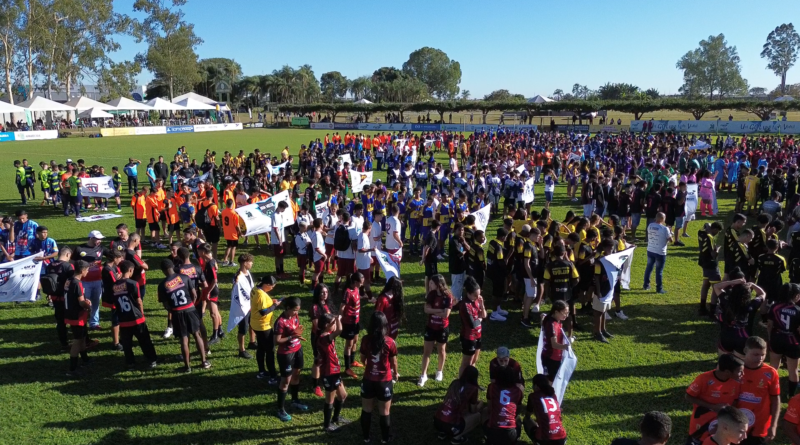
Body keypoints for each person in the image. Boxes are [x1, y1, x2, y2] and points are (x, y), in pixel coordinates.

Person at [157, 259, 209, 373]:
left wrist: (173, 310)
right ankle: (204, 362)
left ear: (163, 271)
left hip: (177, 313)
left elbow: (166, 305)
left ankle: (187, 367)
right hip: (190, 309)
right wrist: (191, 304)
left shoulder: (162, 285)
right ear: (172, 266)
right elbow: (194, 294)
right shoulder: (185, 278)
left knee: (184, 339)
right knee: (197, 334)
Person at [685, 354, 744, 443]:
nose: (742, 374)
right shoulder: (704, 379)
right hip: (701, 426)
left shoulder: (736, 382)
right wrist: (712, 406)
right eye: (740, 371)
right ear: (727, 372)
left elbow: (735, 400)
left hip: (722, 428)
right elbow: (688, 396)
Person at [359, 311, 398, 444]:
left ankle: (366, 437)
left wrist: (370, 366)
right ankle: (385, 439)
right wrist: (395, 373)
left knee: (366, 410)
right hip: (384, 382)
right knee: (384, 411)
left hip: (368, 380)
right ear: (385, 325)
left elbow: (362, 359)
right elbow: (394, 362)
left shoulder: (365, 340)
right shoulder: (390, 342)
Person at [114, 260, 157, 370]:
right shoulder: (133, 283)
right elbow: (139, 301)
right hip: (136, 318)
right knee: (145, 340)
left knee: (127, 343)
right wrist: (142, 314)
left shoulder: (114, 285)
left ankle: (130, 363)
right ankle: (151, 360)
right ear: (130, 270)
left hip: (123, 319)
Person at [737, 336, 780, 444]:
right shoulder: (734, 369)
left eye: (763, 355)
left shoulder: (771, 373)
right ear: (745, 351)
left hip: (759, 427)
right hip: (735, 425)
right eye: (756, 354)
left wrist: (773, 425)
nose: (760, 358)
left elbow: (775, 399)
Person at [274, 297, 309, 422]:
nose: (297, 313)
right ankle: (280, 409)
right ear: (288, 308)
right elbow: (277, 341)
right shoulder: (280, 322)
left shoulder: (294, 317)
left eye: (298, 310)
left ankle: (295, 400)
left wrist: (297, 335)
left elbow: (295, 330)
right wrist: (292, 336)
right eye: (295, 310)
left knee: (296, 376)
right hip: (286, 354)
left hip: (297, 349)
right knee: (285, 381)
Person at [317, 312, 351, 433]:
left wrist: (337, 319)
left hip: (335, 371)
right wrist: (338, 319)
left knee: (342, 395)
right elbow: (339, 330)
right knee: (329, 400)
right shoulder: (324, 338)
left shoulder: (328, 334)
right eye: (332, 323)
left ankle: (336, 418)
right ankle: (327, 426)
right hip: (329, 373)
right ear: (326, 325)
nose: (335, 325)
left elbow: (336, 329)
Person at [433, 365, 485, 444]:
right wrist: (481, 403)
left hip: (437, 421)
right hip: (452, 425)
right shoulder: (473, 388)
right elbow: (473, 410)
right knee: (478, 416)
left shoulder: (455, 382)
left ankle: (442, 433)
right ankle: (457, 438)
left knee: (452, 412)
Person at [419, 274, 453, 387]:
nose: (429, 285)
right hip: (430, 326)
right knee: (426, 352)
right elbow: (425, 309)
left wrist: (433, 311)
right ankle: (423, 375)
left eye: (432, 283)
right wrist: (440, 311)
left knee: (441, 350)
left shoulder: (448, 296)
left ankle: (439, 371)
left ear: (438, 284)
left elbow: (446, 314)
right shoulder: (430, 294)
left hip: (442, 328)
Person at [767, 283, 800, 397]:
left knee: (773, 367)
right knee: (793, 371)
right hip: (792, 342)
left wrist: (770, 338)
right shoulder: (797, 310)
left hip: (777, 338)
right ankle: (791, 396)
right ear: (795, 295)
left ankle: (770, 391)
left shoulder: (774, 307)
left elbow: (769, 325)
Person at [64, 260, 93, 378]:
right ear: (82, 271)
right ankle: (72, 369)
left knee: (82, 338)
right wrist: (88, 305)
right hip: (77, 315)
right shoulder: (77, 283)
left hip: (69, 313)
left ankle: (85, 359)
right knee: (77, 341)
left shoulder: (68, 280)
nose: (88, 272)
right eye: (87, 270)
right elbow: (81, 302)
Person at [251, 275, 280, 386]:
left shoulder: (255, 289)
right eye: (272, 287)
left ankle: (261, 371)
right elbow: (263, 312)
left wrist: (270, 302)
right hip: (263, 326)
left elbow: (258, 304)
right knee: (270, 351)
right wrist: (275, 305)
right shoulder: (261, 295)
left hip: (255, 323)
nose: (272, 288)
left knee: (261, 348)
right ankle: (273, 377)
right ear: (266, 285)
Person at [485, 365, 524, 445]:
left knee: (484, 411)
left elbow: (489, 407)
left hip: (493, 432)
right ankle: (515, 438)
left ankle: (487, 435)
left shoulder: (492, 387)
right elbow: (518, 410)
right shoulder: (518, 391)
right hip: (510, 434)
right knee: (518, 419)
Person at [76, 230, 108, 330]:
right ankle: (82, 322)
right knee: (85, 303)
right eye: (98, 239)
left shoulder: (101, 248)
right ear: (91, 238)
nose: (100, 241)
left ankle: (94, 323)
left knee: (96, 302)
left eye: (100, 239)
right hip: (84, 282)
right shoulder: (79, 249)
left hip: (98, 280)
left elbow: (113, 256)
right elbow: (73, 263)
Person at [524, 374, 567, 445]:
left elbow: (528, 415)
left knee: (526, 420)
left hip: (544, 439)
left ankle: (536, 442)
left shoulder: (533, 396)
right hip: (561, 438)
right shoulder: (553, 395)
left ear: (536, 386)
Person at [457, 276, 487, 378]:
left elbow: (484, 315)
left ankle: (471, 383)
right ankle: (460, 384)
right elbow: (472, 324)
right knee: (466, 364)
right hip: (468, 337)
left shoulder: (477, 300)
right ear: (468, 293)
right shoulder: (465, 305)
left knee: (474, 361)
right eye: (475, 295)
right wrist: (480, 320)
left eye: (479, 294)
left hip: (478, 335)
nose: (478, 297)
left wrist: (482, 305)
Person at [45, 247, 75, 350]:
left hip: (54, 297)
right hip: (66, 298)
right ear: (67, 255)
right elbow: (73, 282)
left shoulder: (50, 265)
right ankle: (78, 342)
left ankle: (64, 344)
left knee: (60, 322)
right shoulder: (68, 266)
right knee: (73, 319)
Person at [310, 283, 332, 396]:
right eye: (322, 292)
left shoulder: (326, 304)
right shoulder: (315, 307)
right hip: (319, 337)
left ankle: (323, 378)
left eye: (326, 292)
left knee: (326, 359)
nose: (325, 294)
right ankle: (315, 386)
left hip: (327, 336)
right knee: (318, 361)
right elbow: (316, 325)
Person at [340, 272, 364, 379]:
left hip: (356, 321)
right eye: (360, 283)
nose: (362, 285)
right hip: (349, 322)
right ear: (355, 282)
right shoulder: (347, 292)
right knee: (349, 345)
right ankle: (347, 367)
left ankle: (353, 360)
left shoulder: (356, 289)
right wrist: (339, 320)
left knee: (355, 340)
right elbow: (342, 307)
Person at [698, 222, 724, 316]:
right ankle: (713, 311)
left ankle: (702, 308)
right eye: (718, 231)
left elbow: (705, 224)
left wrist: (708, 226)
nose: (717, 233)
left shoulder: (701, 233)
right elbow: (713, 255)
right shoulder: (710, 237)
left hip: (703, 262)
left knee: (706, 284)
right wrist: (717, 250)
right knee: (716, 287)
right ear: (715, 229)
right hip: (711, 264)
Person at [540, 300, 570, 381]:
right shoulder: (552, 325)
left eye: (568, 313)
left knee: (554, 380)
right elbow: (554, 345)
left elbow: (543, 318)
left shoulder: (553, 319)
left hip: (553, 357)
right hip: (551, 358)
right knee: (551, 381)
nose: (566, 315)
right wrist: (567, 347)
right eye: (564, 313)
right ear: (556, 312)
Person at [643, 212, 672, 294]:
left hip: (650, 249)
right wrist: (670, 232)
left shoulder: (650, 225)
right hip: (660, 252)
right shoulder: (665, 229)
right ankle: (659, 288)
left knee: (649, 268)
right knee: (659, 271)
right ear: (662, 219)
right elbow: (671, 240)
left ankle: (646, 285)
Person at [374, 277, 404, 342]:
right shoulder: (383, 299)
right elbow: (378, 315)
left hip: (394, 324)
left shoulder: (395, 296)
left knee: (392, 340)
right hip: (385, 325)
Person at [221, 199, 241, 267]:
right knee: (233, 247)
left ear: (226, 204)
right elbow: (237, 225)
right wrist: (240, 232)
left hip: (227, 232)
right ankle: (231, 262)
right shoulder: (234, 214)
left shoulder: (223, 212)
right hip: (233, 233)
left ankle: (225, 260)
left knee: (228, 246)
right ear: (232, 204)